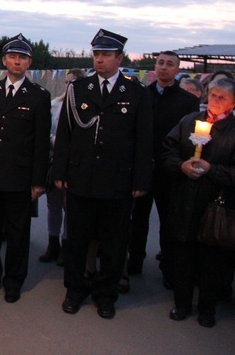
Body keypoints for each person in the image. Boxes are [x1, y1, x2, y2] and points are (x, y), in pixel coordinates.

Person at [53, 29, 153, 320]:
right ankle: (75, 290)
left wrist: (140, 181)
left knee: (113, 242)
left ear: (119, 58)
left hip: (118, 182)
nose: (100, 60)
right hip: (81, 178)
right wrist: (59, 170)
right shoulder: (78, 89)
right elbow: (65, 135)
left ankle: (106, 294)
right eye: (96, 54)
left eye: (106, 55)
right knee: (77, 239)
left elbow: (143, 140)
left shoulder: (136, 92)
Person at [0, 34, 51, 303]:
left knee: (17, 234)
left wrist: (39, 181)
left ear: (29, 63)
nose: (17, 61)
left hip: (20, 177)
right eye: (13, 56)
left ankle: (13, 281)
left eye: (23, 57)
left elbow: (41, 143)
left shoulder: (39, 96)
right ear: (4, 60)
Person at [162, 77, 235, 328]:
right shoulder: (190, 122)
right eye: (213, 95)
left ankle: (207, 309)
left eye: (222, 98)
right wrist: (181, 165)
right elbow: (167, 151)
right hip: (184, 202)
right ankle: (181, 305)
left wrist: (211, 169)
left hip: (215, 206)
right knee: (183, 258)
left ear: (233, 102)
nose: (215, 101)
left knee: (211, 263)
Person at [127, 51, 199, 286]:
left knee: (169, 221)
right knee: (138, 219)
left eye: (170, 64)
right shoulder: (142, 95)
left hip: (171, 170)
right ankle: (134, 262)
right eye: (160, 63)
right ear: (154, 67)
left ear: (177, 70)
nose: (164, 68)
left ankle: (169, 268)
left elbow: (189, 138)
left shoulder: (187, 101)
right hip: (143, 168)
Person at [38, 68, 86, 266]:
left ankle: (67, 244)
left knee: (70, 207)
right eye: (66, 83)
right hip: (54, 160)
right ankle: (53, 242)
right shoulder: (55, 105)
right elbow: (45, 130)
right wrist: (53, 140)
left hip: (74, 164)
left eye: (72, 83)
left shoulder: (84, 108)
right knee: (53, 205)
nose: (68, 86)